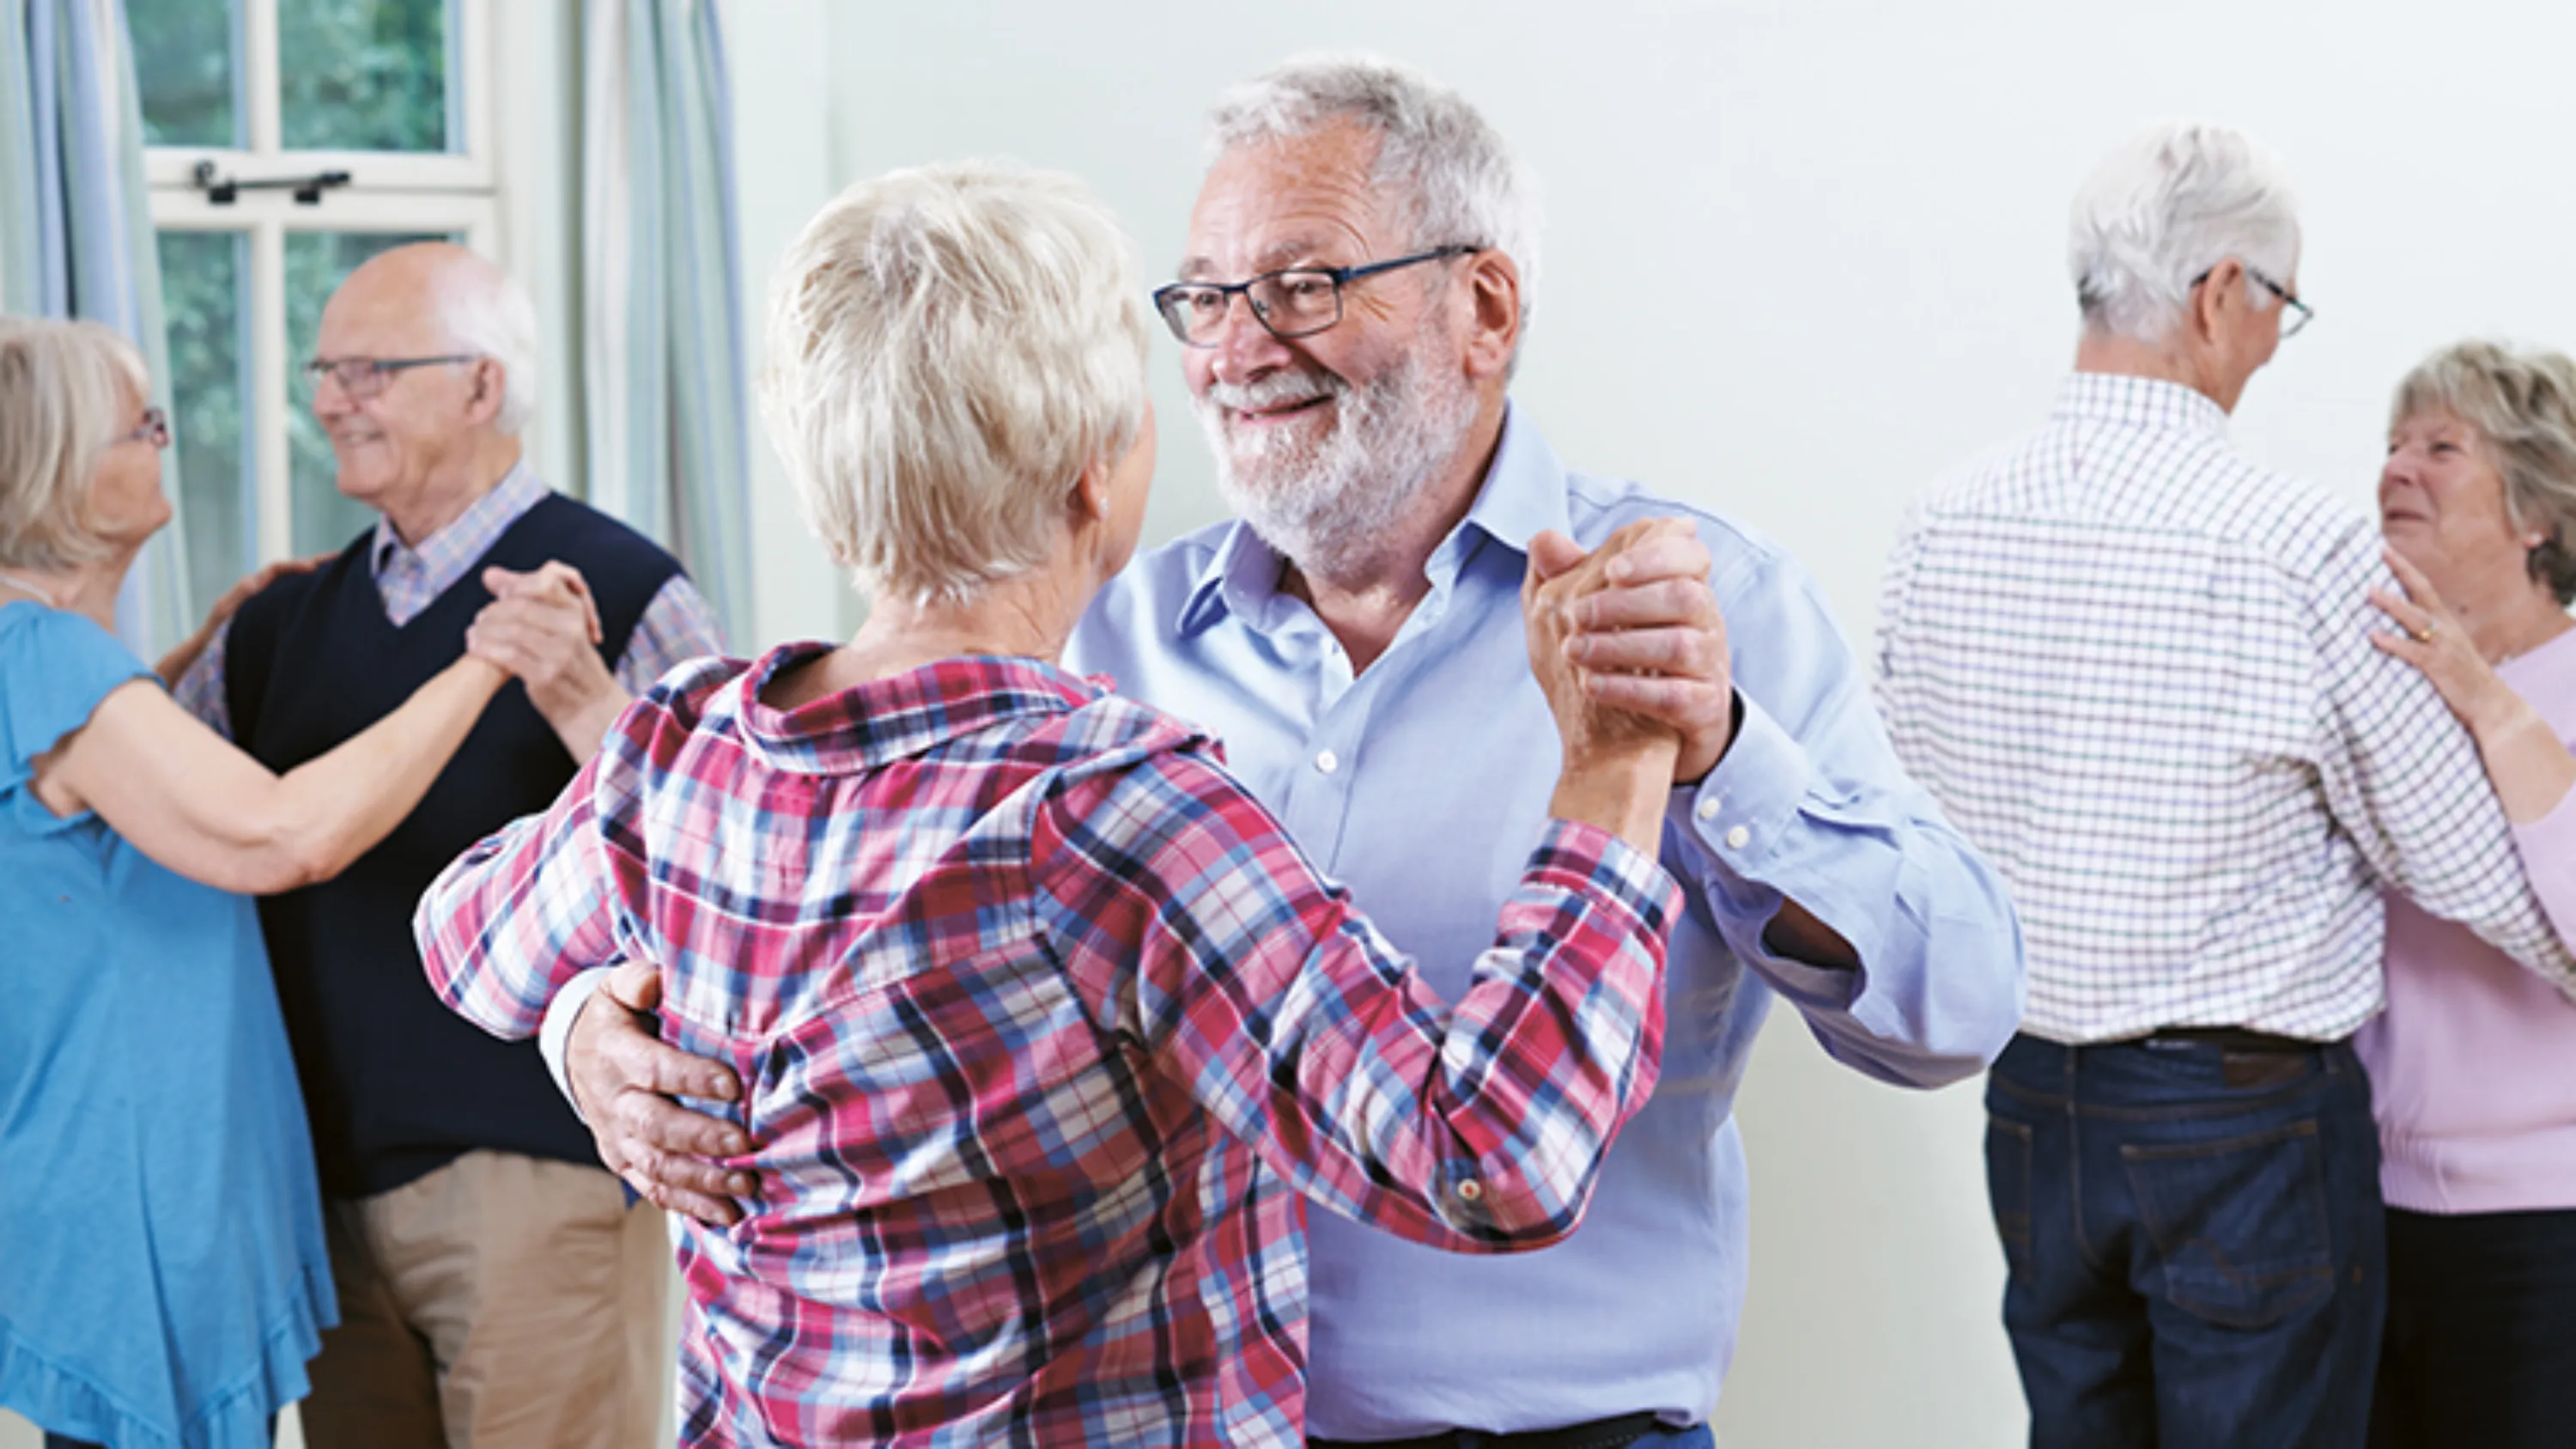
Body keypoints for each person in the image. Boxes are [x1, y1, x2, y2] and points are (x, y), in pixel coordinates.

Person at [552, 54, 2026, 1448]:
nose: (1238, 348)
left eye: (1304, 285)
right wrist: (595, 1036)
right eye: (1204, 297)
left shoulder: (1693, 612)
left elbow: (1952, 1007)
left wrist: (1718, 757)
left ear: (1486, 306)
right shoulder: (1092, 638)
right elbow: (780, 921)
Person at [416, 161, 1688, 1446]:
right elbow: (1489, 1159)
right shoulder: (1117, 817)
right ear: (1094, 472)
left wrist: (581, 1020)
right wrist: (1613, 773)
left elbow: (462, 933)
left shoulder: (680, 752)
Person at [1876, 127, 2576, 1448]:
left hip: (2031, 1104)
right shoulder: (2295, 544)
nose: (2269, 345)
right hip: (2240, 1128)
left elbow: (1909, 810)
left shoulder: (1941, 521)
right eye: (2279, 311)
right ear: (2218, 295)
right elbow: (2465, 861)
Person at [166, 244, 727, 1449]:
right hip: (317, 1186)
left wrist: (579, 693)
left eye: (368, 368)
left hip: (538, 1180)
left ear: (482, 387)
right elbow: (149, 804)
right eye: (324, 370)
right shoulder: (274, 620)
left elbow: (725, 854)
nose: (328, 398)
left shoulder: (629, 591)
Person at [0, 317, 544, 1446]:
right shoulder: (45, 653)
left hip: (119, 1168)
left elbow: (80, 798)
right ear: (57, 463)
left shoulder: (47, 663)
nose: (163, 441)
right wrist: (486, 661)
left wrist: (190, 650)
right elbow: (285, 834)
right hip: (132, 1184)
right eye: (142, 424)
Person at [2352, 341, 2576, 1448]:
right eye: (2394, 445)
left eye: (2444, 448)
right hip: (2364, 1215)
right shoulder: (2381, 692)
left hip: (2546, 1233)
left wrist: (2485, 700)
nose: (2400, 469)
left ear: (2539, 511)